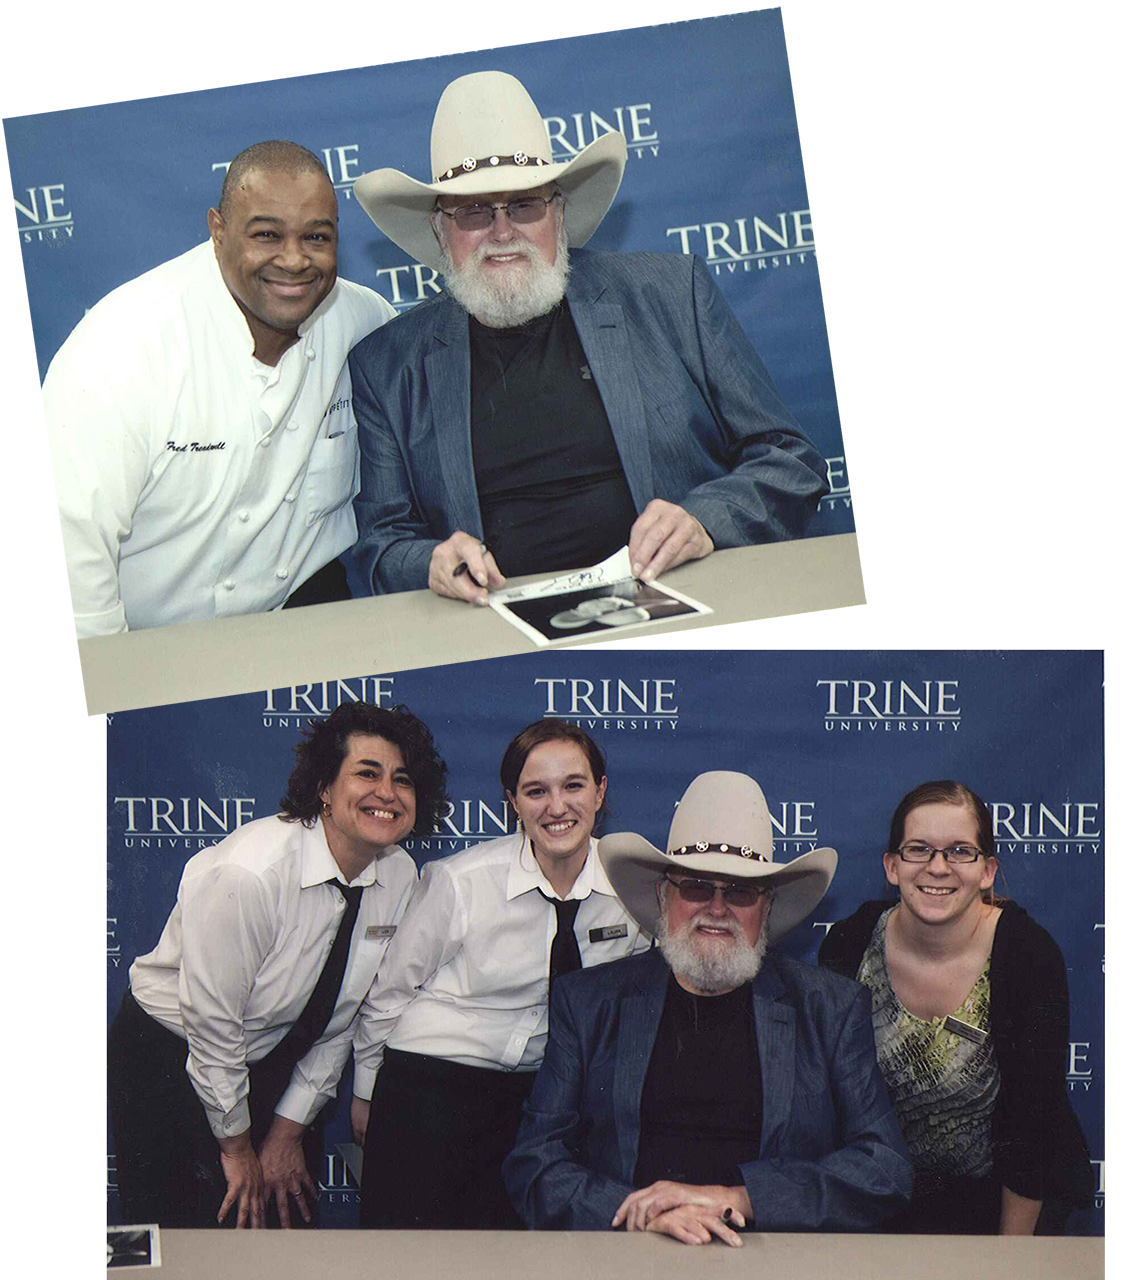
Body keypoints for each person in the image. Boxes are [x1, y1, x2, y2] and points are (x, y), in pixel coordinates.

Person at [348, 71, 830, 605]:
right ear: (441, 231)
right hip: (489, 638)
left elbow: (791, 461)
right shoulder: (388, 366)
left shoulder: (673, 295)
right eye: (475, 212)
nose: (502, 232)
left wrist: (704, 521)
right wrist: (430, 563)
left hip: (679, 609)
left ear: (559, 213)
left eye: (525, 205)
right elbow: (379, 549)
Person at [503, 771, 912, 1243]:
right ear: (663, 896)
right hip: (627, 1254)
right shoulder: (589, 1002)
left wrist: (739, 1198)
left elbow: (885, 1169)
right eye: (696, 886)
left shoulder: (831, 1009)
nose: (717, 909)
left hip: (771, 1260)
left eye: (740, 892)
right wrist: (637, 1212)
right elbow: (534, 1163)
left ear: (767, 908)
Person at [107, 702, 448, 1229]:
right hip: (172, 1055)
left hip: (272, 1055)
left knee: (283, 1219)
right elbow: (213, 1028)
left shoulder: (400, 875)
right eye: (367, 773)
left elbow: (342, 1019)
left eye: (402, 779)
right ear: (324, 789)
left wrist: (286, 1133)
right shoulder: (249, 876)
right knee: (190, 1232)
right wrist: (237, 1149)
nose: (387, 793)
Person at [42, 140, 398, 636]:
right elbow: (71, 549)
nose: (294, 260)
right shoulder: (120, 351)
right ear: (217, 230)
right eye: (267, 235)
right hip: (145, 640)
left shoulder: (367, 325)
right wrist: (100, 693)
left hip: (303, 619)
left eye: (316, 237)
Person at [351, 720, 651, 1229]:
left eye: (573, 786)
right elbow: (389, 993)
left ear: (600, 792)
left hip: (544, 1106)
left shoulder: (634, 883)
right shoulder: (460, 881)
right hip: (433, 1086)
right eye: (536, 791)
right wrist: (366, 1096)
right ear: (513, 802)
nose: (557, 807)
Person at [818, 780, 1093, 1234]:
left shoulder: (1027, 954)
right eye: (919, 849)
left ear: (987, 870)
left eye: (960, 851)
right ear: (892, 866)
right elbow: (831, 1110)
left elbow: (1031, 1125)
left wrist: (1008, 1262)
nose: (938, 867)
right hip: (883, 1199)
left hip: (1004, 1202)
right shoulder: (849, 944)